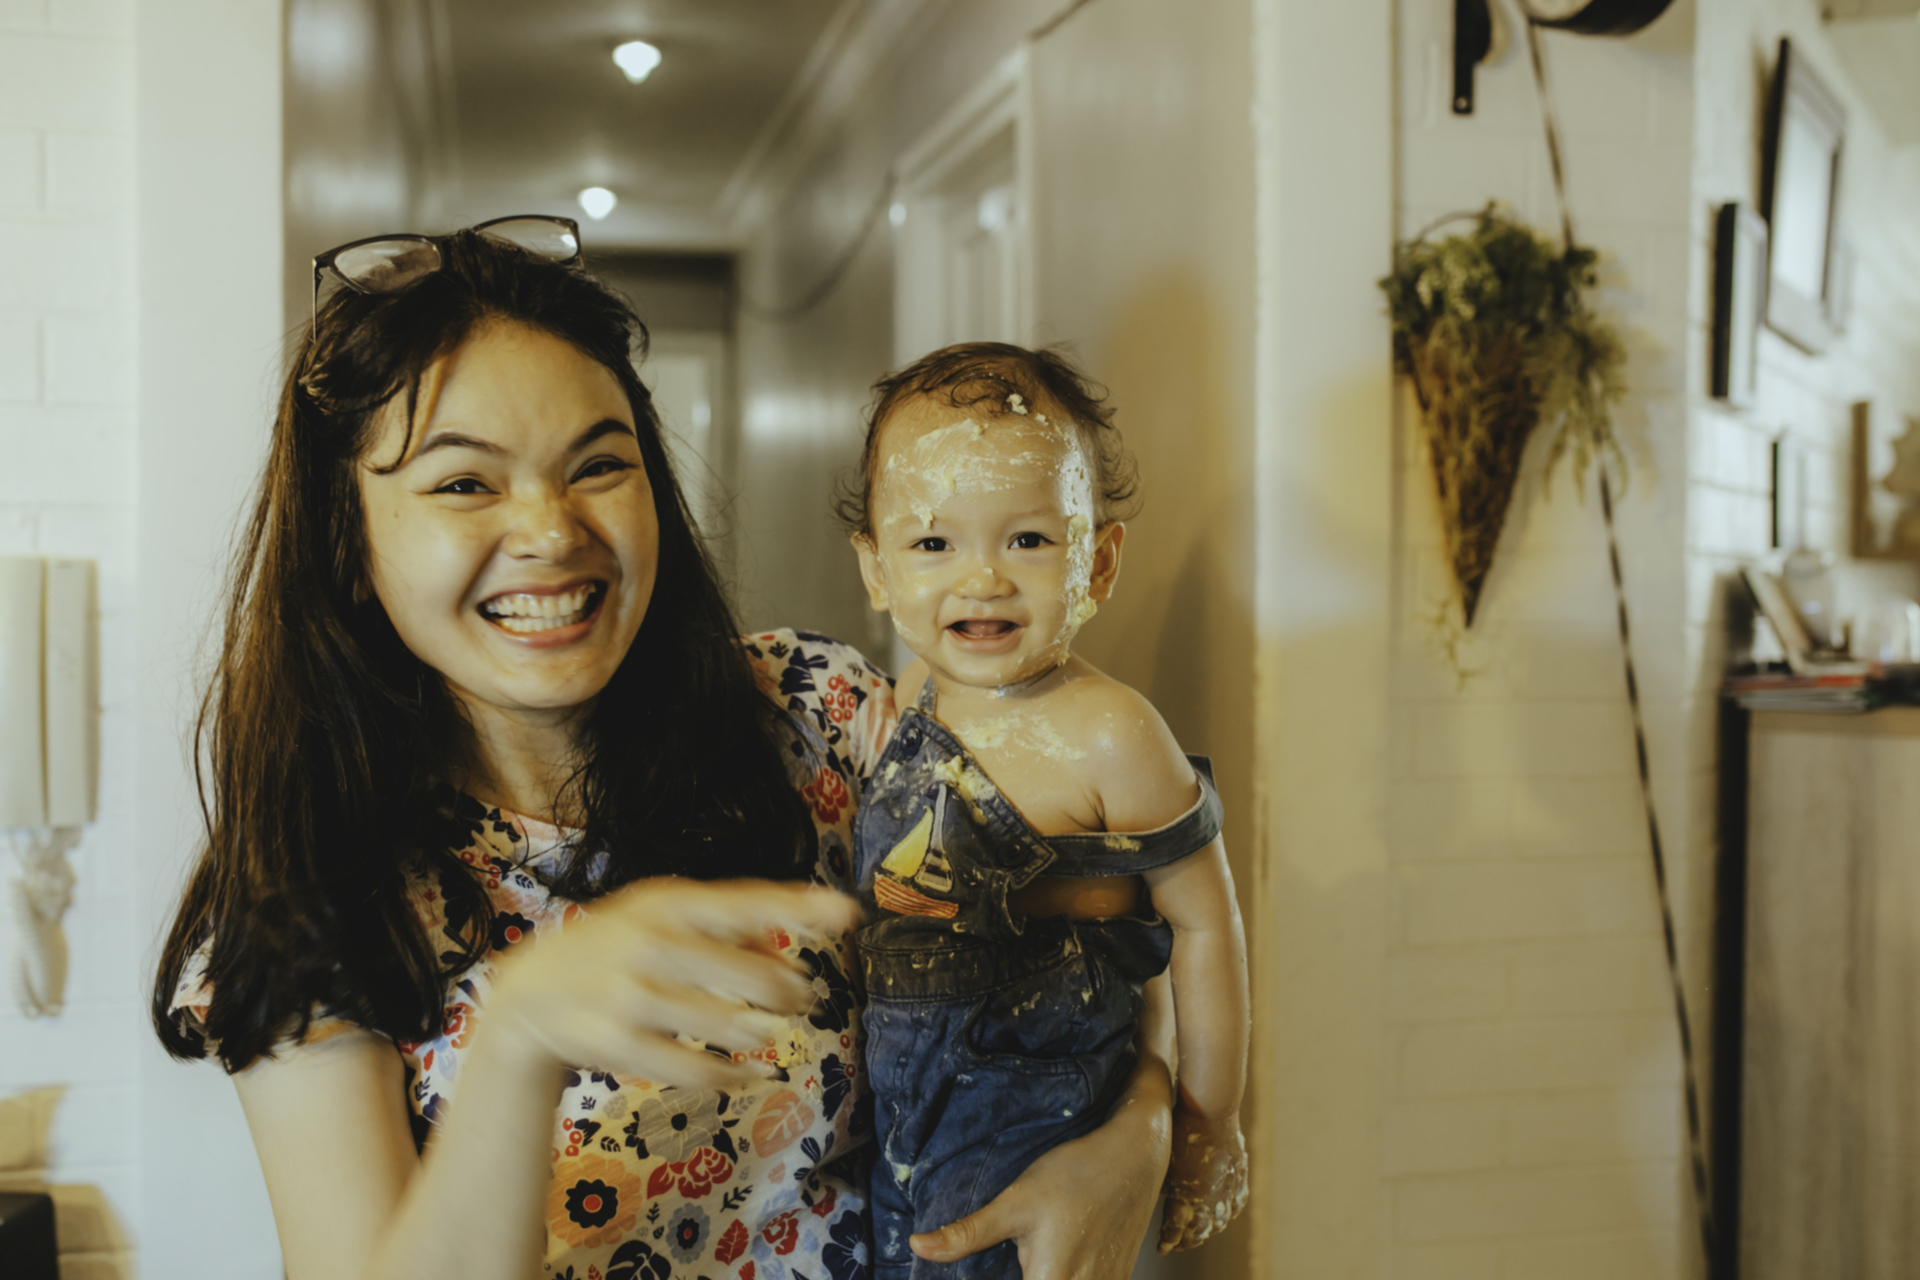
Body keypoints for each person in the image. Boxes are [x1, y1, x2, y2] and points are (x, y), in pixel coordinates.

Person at [150, 223, 1175, 1280]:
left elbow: (1107, 911)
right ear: (346, 543)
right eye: (465, 483)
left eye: (599, 464)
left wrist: (1141, 1126)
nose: (552, 530)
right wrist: (520, 1040)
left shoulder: (816, 711)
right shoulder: (306, 900)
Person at [842, 344, 1251, 1277]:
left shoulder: (1109, 731)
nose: (982, 578)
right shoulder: (913, 697)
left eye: (1028, 539)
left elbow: (1205, 924)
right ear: (876, 571)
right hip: (904, 1108)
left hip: (1032, 1112)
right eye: (933, 543)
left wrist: (1209, 1122)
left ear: (1097, 561)